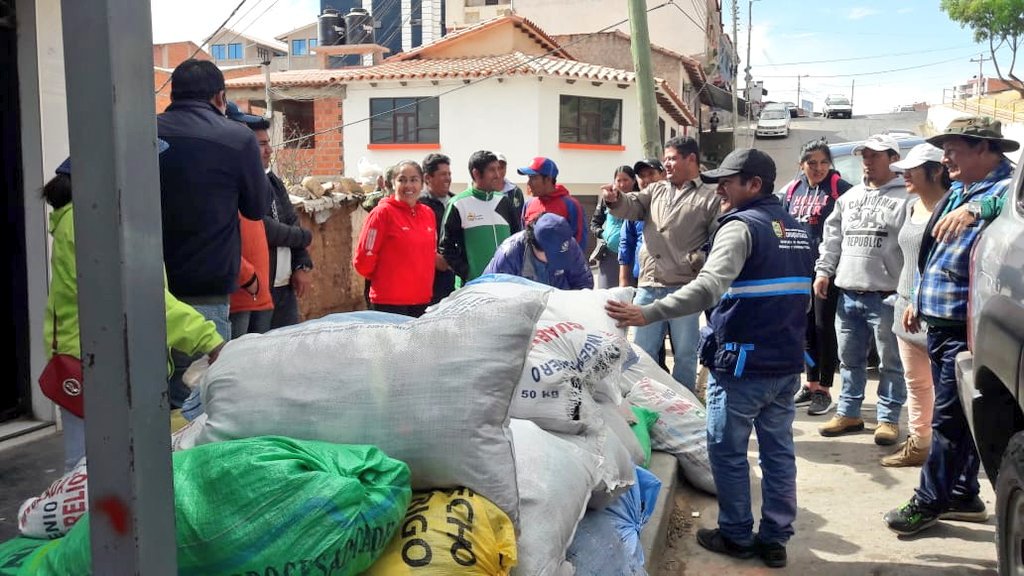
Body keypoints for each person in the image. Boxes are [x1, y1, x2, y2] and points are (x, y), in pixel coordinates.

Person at [605, 148, 813, 569]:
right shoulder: (796, 228)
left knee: (728, 452)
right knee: (777, 452)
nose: (721, 188)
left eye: (730, 181)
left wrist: (648, 311)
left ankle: (736, 534)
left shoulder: (740, 228)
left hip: (741, 364)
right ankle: (775, 538)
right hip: (786, 362)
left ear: (754, 185)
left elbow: (707, 289)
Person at [43, 151, 225, 471]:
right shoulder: (91, 221)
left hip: (94, 358)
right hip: (97, 364)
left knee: (96, 466)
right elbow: (137, 296)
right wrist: (207, 338)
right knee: (94, 470)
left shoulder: (90, 216)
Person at [884, 117, 1018, 535]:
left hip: (968, 325)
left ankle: (929, 502)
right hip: (937, 318)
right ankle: (963, 493)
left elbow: (1006, 205)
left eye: (954, 150)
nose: (946, 159)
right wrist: (917, 300)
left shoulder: (1003, 189)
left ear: (985, 149)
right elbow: (934, 252)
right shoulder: (959, 188)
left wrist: (978, 208)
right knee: (960, 415)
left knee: (948, 421)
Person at [157, 58, 269, 408]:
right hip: (204, 287)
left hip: (146, 286)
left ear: (173, 94)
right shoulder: (236, 137)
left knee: (151, 394)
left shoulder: (141, 129)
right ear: (220, 97)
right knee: (201, 399)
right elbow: (256, 208)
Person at [603, 136, 720, 393]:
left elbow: (717, 241)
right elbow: (631, 206)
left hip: (685, 289)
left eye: (672, 158)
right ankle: (643, 404)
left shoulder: (709, 197)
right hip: (649, 285)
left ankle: (684, 408)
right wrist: (615, 199)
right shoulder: (656, 190)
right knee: (641, 353)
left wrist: (696, 261)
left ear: (691, 159)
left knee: (685, 355)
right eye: (665, 158)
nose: (667, 163)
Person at [815, 134, 909, 446]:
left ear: (893, 159)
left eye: (875, 156)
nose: (867, 161)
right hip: (849, 293)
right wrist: (824, 271)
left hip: (887, 296)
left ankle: (888, 419)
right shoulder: (849, 198)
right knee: (849, 360)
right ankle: (849, 412)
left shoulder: (907, 198)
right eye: (864, 156)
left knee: (890, 363)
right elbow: (832, 239)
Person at [880, 143, 948, 468]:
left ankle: (946, 454)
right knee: (916, 383)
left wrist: (919, 299)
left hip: (936, 312)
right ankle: (920, 444)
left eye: (912, 169)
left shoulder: (953, 210)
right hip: (904, 311)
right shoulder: (909, 207)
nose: (905, 174)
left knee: (947, 392)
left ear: (935, 171)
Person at [782, 138, 853, 416]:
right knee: (805, 329)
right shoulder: (792, 190)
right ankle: (810, 384)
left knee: (824, 329)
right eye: (812, 163)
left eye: (824, 162)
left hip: (827, 271)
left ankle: (824, 389)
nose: (819, 168)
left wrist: (830, 266)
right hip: (797, 270)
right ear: (802, 165)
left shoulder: (839, 188)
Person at [353, 160, 437, 317]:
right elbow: (363, 259)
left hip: (422, 301)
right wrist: (387, 279)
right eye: (402, 180)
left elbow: (429, 254)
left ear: (422, 183)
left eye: (414, 180)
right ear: (392, 183)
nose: (408, 185)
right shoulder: (381, 214)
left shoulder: (428, 214)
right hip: (388, 303)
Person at [440, 150, 521, 283]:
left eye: (498, 169)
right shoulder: (458, 204)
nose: (497, 175)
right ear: (476, 173)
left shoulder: (504, 201)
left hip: (506, 283)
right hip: (474, 286)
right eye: (492, 170)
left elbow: (517, 239)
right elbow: (446, 247)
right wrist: (467, 272)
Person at [483, 212, 594, 289]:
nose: (558, 261)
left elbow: (584, 284)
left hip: (559, 310)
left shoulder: (569, 245)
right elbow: (491, 292)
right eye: (553, 256)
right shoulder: (509, 254)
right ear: (534, 245)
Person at [519, 157, 587, 245]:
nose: (529, 183)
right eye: (529, 178)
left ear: (548, 179)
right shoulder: (528, 204)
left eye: (534, 178)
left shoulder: (571, 205)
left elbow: (579, 242)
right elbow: (522, 238)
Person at [590, 166, 637, 288]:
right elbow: (594, 224)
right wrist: (602, 234)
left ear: (634, 180)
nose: (622, 184)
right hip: (609, 256)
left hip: (632, 257)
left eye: (625, 180)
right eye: (618, 180)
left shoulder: (639, 200)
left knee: (628, 296)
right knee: (606, 296)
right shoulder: (607, 200)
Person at [420, 153, 457, 304]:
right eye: (443, 174)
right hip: (427, 277)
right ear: (428, 178)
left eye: (449, 174)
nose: (448, 178)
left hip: (452, 276)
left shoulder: (456, 202)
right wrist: (433, 258)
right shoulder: (419, 204)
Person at [494, 151, 526, 217]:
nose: (499, 171)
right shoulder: (485, 190)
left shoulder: (515, 191)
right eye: (496, 168)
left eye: (502, 167)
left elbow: (521, 216)